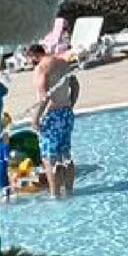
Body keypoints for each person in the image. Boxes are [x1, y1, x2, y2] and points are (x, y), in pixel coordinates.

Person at [29, 44, 82, 198]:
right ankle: (70, 191)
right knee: (65, 154)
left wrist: (36, 118)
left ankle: (55, 195)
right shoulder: (63, 62)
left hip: (51, 116)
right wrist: (71, 103)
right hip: (65, 113)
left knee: (49, 158)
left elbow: (45, 97)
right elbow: (75, 85)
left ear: (33, 56)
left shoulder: (42, 68)